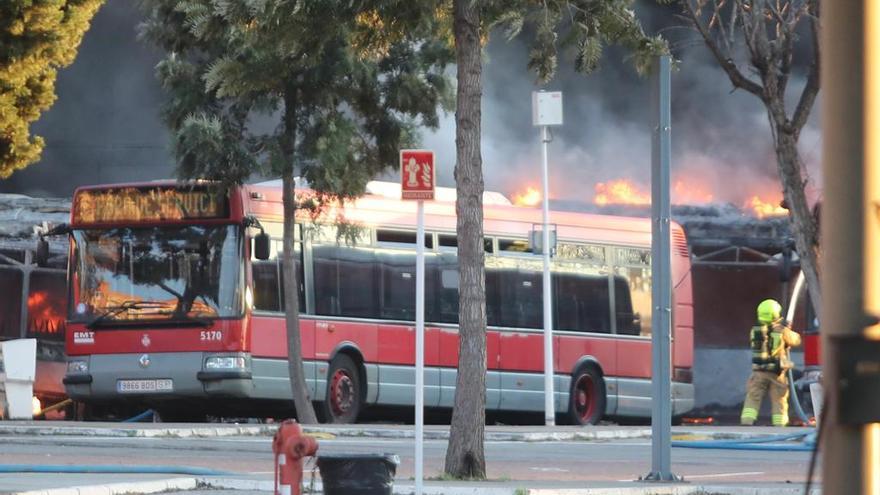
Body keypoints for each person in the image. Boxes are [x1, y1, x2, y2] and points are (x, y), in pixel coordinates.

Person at [740, 298, 802, 426]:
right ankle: (779, 424)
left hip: (758, 371)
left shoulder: (754, 330)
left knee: (753, 396)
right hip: (776, 372)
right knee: (779, 398)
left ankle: (747, 421)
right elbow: (796, 340)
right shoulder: (782, 330)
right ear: (776, 314)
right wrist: (787, 328)